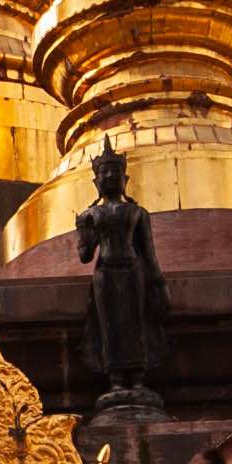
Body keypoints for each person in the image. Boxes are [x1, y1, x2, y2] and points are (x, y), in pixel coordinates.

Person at [70, 143, 166, 409]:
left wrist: (159, 283)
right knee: (110, 325)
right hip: (105, 274)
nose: (110, 177)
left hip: (133, 272)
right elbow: (85, 256)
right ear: (96, 180)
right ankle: (114, 377)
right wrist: (84, 231)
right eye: (105, 172)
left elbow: (149, 253)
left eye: (115, 172)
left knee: (134, 322)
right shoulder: (92, 215)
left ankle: (137, 377)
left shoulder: (137, 213)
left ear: (125, 179)